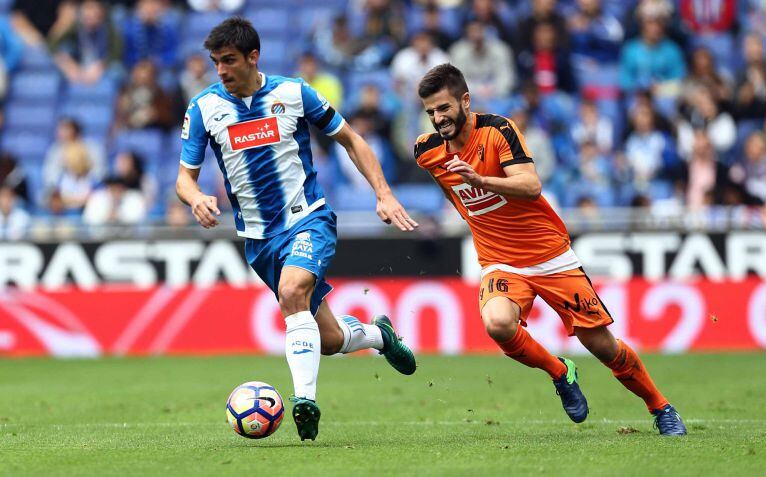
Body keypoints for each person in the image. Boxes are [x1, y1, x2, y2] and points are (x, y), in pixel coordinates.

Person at [176, 18, 418, 441]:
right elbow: (184, 178)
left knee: (292, 292)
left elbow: (352, 140)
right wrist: (195, 197)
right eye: (216, 62)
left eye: (229, 60)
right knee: (329, 339)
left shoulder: (293, 93)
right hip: (259, 240)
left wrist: (383, 193)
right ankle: (379, 336)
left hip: (308, 218)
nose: (221, 70)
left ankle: (304, 400)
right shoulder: (203, 109)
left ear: (253, 57)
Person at [413, 63, 687, 436]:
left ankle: (661, 407)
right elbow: (453, 192)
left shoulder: (498, 130)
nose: (437, 118)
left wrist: (483, 181)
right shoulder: (426, 150)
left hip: (549, 255)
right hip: (500, 261)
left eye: (444, 107)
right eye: (430, 111)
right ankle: (560, 372)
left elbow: (531, 186)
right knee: (497, 324)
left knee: (602, 346)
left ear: (465, 101)